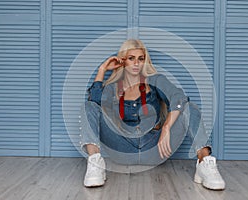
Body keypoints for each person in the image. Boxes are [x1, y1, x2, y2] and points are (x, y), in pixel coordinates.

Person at [79, 39, 225, 190]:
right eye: (131, 58)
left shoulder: (155, 80)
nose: (136, 63)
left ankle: (204, 162)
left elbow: (178, 97)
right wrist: (102, 70)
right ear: (122, 61)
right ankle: (95, 162)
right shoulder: (112, 88)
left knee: (189, 107)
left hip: (155, 148)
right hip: (122, 148)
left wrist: (166, 127)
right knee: (88, 106)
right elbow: (94, 104)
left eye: (140, 59)